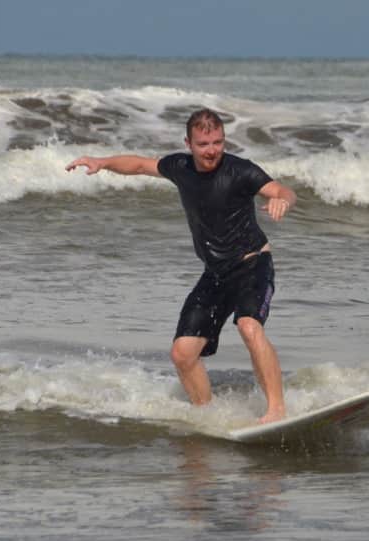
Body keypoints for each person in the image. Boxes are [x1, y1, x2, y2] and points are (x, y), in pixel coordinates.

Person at [65, 108, 296, 423]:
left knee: (249, 326)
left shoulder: (241, 171)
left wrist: (282, 199)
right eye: (203, 144)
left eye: (217, 142)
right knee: (183, 354)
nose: (212, 150)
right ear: (189, 143)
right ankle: (208, 415)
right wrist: (103, 162)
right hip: (215, 274)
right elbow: (139, 165)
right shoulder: (179, 167)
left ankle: (276, 410)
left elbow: (282, 190)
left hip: (252, 264)